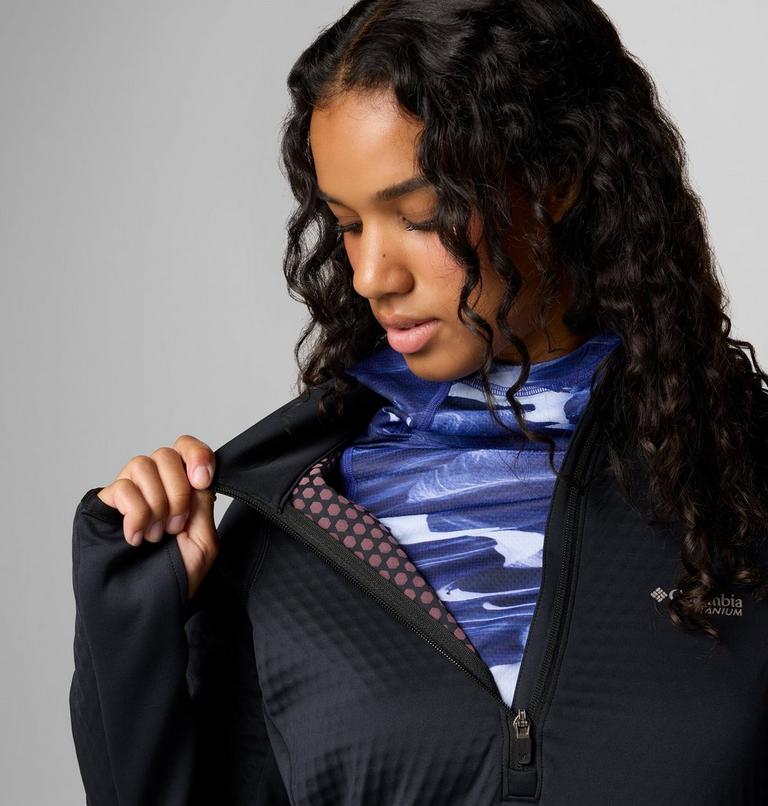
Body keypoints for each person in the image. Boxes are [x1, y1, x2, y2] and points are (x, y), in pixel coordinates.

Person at [69, 1, 768, 804]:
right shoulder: (296, 527)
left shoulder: (739, 485)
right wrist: (132, 623)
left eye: (420, 214)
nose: (372, 275)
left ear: (558, 178)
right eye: (347, 225)